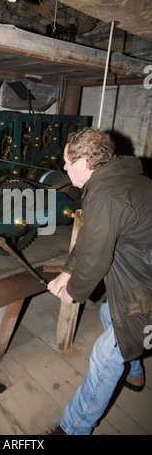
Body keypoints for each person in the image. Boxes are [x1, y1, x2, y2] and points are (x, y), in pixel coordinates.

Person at [45, 127, 152, 435]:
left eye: (67, 161)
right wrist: (67, 271)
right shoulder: (118, 179)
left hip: (146, 285)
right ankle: (134, 371)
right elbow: (92, 238)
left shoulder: (105, 196)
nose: (63, 167)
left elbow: (95, 260)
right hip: (142, 274)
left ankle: (73, 429)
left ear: (85, 164)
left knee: (105, 355)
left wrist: (73, 292)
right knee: (109, 314)